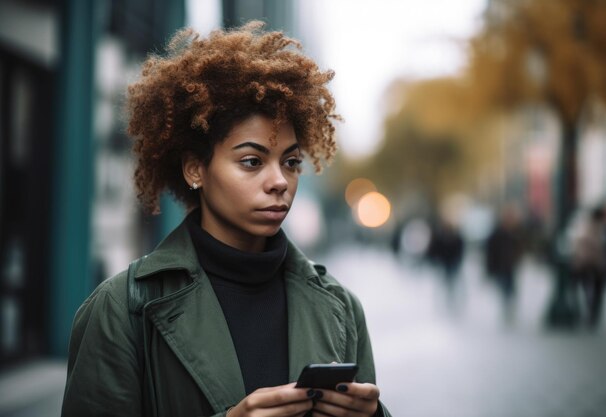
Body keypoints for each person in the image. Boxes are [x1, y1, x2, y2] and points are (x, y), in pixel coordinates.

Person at [61, 22, 390, 417]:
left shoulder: (340, 306)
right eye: (252, 162)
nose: (279, 182)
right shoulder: (123, 308)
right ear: (195, 170)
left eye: (291, 162)